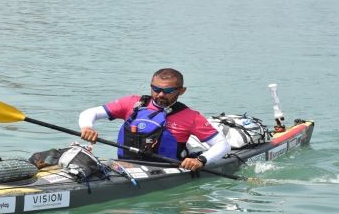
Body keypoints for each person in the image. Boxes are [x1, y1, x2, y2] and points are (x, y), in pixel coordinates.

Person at [78, 68, 231, 171]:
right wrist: (87, 127)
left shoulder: (191, 117)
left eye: (168, 91)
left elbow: (222, 145)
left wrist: (201, 160)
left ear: (182, 91)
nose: (160, 95)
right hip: (126, 167)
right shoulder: (131, 103)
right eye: (156, 89)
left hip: (166, 170)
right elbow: (90, 113)